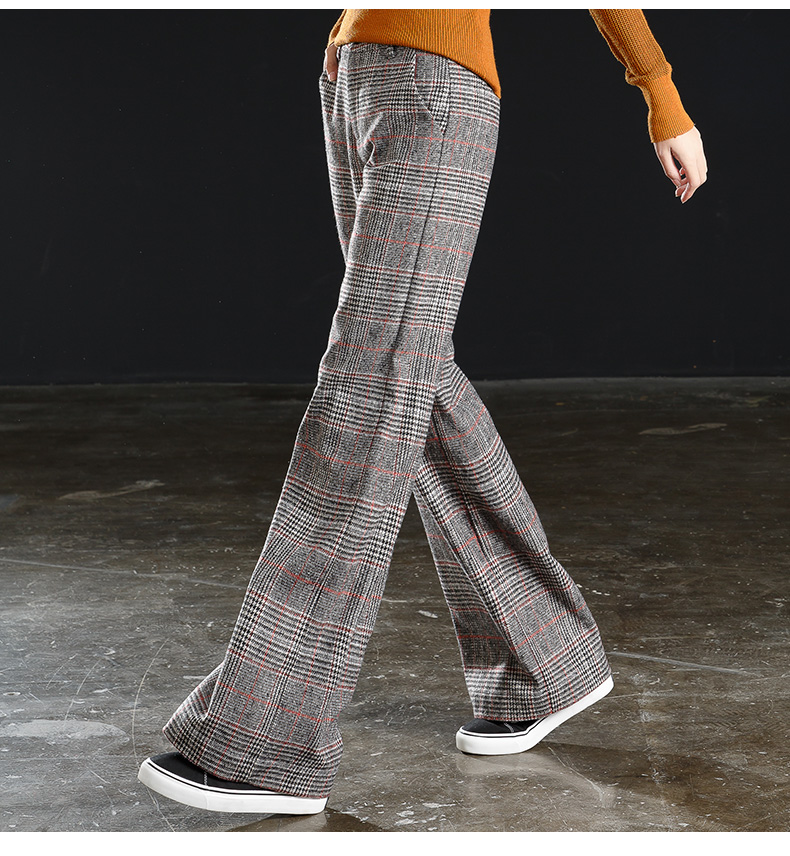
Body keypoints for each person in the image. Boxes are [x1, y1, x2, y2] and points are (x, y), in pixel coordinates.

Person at [138, 9, 707, 815]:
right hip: (353, 73)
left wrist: (662, 96)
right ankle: (546, 659)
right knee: (414, 371)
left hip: (434, 80)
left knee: (371, 384)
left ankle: (268, 737)